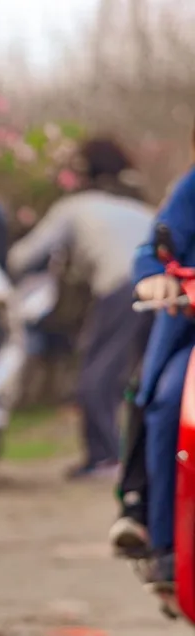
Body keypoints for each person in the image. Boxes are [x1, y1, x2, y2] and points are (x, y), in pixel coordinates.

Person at [7, 137, 154, 483]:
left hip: (122, 286)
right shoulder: (142, 210)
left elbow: (25, 256)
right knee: (149, 374)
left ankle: (104, 458)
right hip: (166, 287)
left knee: (96, 374)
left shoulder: (74, 207)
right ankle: (142, 458)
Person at [128, 131, 195, 592]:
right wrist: (155, 279)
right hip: (191, 333)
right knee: (170, 398)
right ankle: (164, 541)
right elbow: (151, 252)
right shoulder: (191, 190)